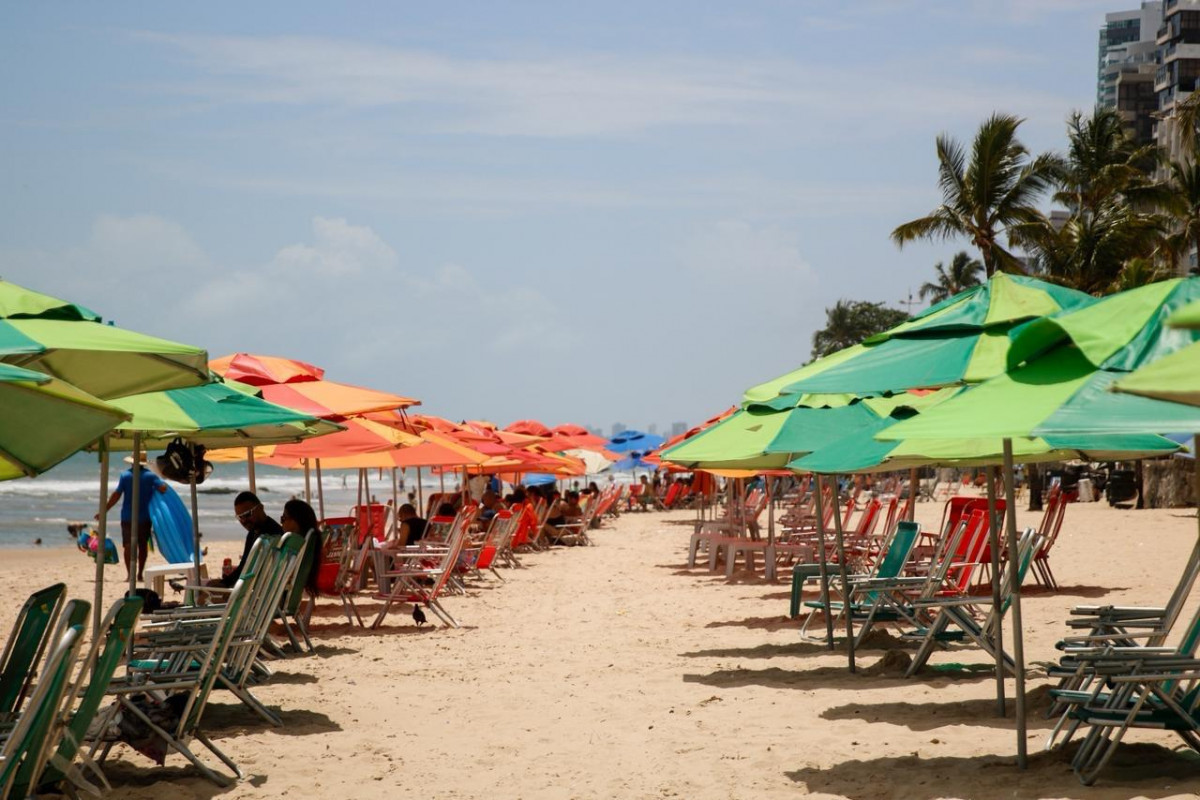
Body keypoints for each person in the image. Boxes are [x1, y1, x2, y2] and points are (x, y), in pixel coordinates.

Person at [97, 454, 168, 582]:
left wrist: (104, 510)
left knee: (128, 546)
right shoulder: (150, 476)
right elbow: (163, 488)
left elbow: (116, 495)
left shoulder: (125, 476)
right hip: (144, 517)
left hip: (127, 517)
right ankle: (140, 574)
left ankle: (130, 575)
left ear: (131, 462)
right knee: (142, 546)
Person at [222, 491, 284, 588]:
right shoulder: (253, 533)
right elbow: (244, 566)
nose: (244, 521)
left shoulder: (271, 535)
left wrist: (225, 585)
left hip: (260, 595)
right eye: (240, 517)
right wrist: (224, 583)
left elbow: (252, 571)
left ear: (261, 508)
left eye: (247, 514)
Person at [280, 498, 322, 593]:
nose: (281, 523)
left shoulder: (293, 549)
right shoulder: (308, 545)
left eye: (283, 518)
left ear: (295, 522)